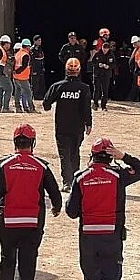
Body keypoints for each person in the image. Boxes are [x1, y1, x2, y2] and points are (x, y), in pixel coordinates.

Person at [0, 124, 62, 280]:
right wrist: (56, 207)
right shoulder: (42, 166)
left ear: (15, 142)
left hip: (8, 223)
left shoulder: (4, 165)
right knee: (27, 265)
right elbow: (54, 192)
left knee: (7, 260)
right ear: (32, 142)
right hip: (32, 223)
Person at [66, 138, 140, 280]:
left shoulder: (80, 177)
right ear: (111, 157)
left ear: (92, 155)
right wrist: (124, 157)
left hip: (88, 238)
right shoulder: (119, 176)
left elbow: (71, 212)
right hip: (112, 237)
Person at [43, 58, 93, 192]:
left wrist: (49, 106)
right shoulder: (84, 88)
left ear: (66, 69)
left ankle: (67, 182)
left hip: (62, 126)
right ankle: (76, 180)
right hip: (78, 127)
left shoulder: (58, 86)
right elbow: (86, 108)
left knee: (64, 154)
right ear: (79, 70)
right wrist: (89, 123)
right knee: (75, 153)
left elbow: (46, 103)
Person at [14, 39, 37, 113]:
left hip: (16, 77)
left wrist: (15, 72)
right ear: (27, 47)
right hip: (22, 77)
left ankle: (18, 107)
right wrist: (18, 72)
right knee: (28, 93)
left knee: (17, 92)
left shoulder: (18, 53)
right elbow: (24, 66)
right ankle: (31, 108)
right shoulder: (25, 55)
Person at [93, 42, 115, 111]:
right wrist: (98, 64)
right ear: (102, 48)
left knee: (105, 91)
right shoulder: (97, 54)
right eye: (104, 49)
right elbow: (93, 62)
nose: (105, 50)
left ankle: (103, 106)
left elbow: (114, 64)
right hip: (98, 74)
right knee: (97, 90)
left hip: (106, 75)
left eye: (106, 49)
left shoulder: (111, 55)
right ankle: (95, 104)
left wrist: (108, 66)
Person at [127, 36, 140, 102]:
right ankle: (134, 98)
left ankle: (136, 98)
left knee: (138, 85)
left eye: (134, 43)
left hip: (139, 70)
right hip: (135, 70)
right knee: (135, 84)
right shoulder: (136, 49)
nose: (133, 45)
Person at [30, 35, 46, 100]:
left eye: (40, 40)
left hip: (40, 69)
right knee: (35, 84)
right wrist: (32, 70)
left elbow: (42, 58)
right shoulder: (32, 50)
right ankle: (35, 96)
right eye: (38, 40)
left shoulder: (40, 49)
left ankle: (41, 96)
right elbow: (31, 61)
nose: (40, 42)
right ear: (35, 41)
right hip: (35, 70)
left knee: (41, 83)